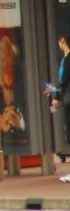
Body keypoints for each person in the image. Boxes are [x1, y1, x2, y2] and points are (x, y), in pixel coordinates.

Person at [44, 35, 70, 181]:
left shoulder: (68, 59)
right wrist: (54, 91)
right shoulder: (65, 59)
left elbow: (64, 81)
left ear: (63, 41)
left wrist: (56, 97)